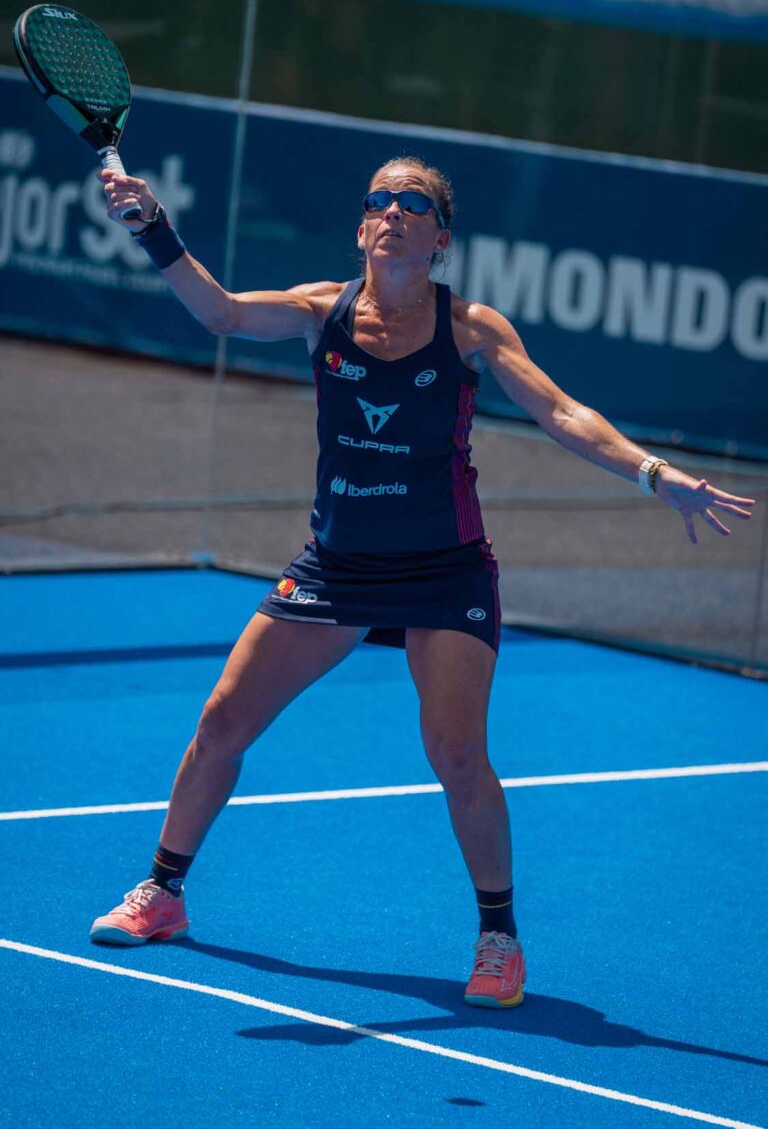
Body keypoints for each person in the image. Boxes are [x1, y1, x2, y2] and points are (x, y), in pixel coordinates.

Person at [90, 155, 755, 1008]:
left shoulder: (471, 328)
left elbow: (561, 411)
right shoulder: (319, 311)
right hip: (337, 565)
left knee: (456, 752)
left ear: (440, 237)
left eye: (414, 202)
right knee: (222, 719)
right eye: (379, 199)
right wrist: (153, 226)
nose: (393, 211)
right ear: (361, 226)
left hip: (444, 569)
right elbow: (219, 312)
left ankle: (499, 939)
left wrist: (655, 473)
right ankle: (164, 892)